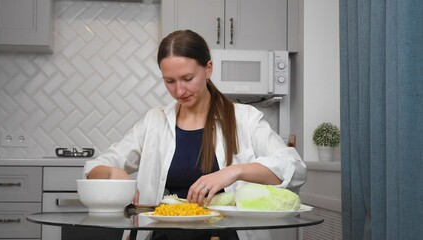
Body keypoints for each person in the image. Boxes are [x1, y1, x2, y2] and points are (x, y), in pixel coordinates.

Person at [83, 29, 307, 240]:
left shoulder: (245, 119)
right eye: (169, 81)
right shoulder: (155, 121)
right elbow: (94, 167)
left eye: (187, 78)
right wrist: (113, 173)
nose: (179, 91)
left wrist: (234, 172)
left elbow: (295, 169)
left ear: (208, 69)